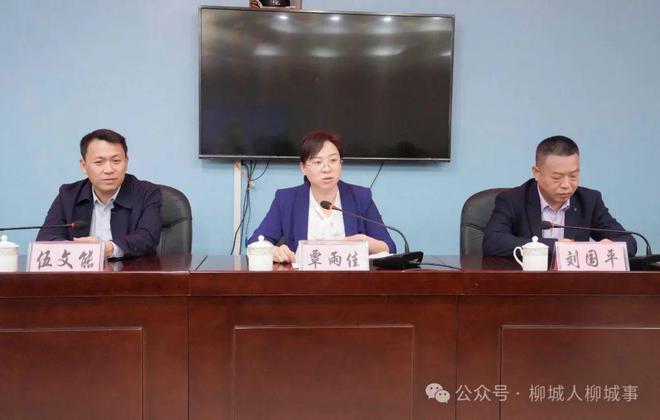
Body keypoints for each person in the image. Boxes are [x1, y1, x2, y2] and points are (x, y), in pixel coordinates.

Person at [248, 130, 396, 263]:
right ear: (303, 167)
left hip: (350, 280)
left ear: (341, 163)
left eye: (333, 160)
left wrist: (366, 242)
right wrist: (274, 251)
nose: (327, 168)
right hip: (302, 281)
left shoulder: (360, 197)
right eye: (318, 162)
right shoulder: (286, 199)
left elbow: (389, 247)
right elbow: (256, 242)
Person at [483, 135, 637, 257]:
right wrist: (555, 246)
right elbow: (492, 242)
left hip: (573, 284)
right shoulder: (512, 199)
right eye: (557, 177)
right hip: (527, 282)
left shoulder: (589, 200)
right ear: (536, 172)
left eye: (573, 176)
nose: (566, 185)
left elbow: (629, 242)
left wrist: (605, 247)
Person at [36, 129, 162, 259]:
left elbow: (148, 237)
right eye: (99, 162)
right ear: (83, 165)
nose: (109, 170)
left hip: (131, 271)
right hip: (81, 271)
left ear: (126, 162)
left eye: (116, 161)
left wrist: (108, 248)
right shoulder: (68, 195)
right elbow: (46, 238)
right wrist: (76, 250)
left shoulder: (147, 193)